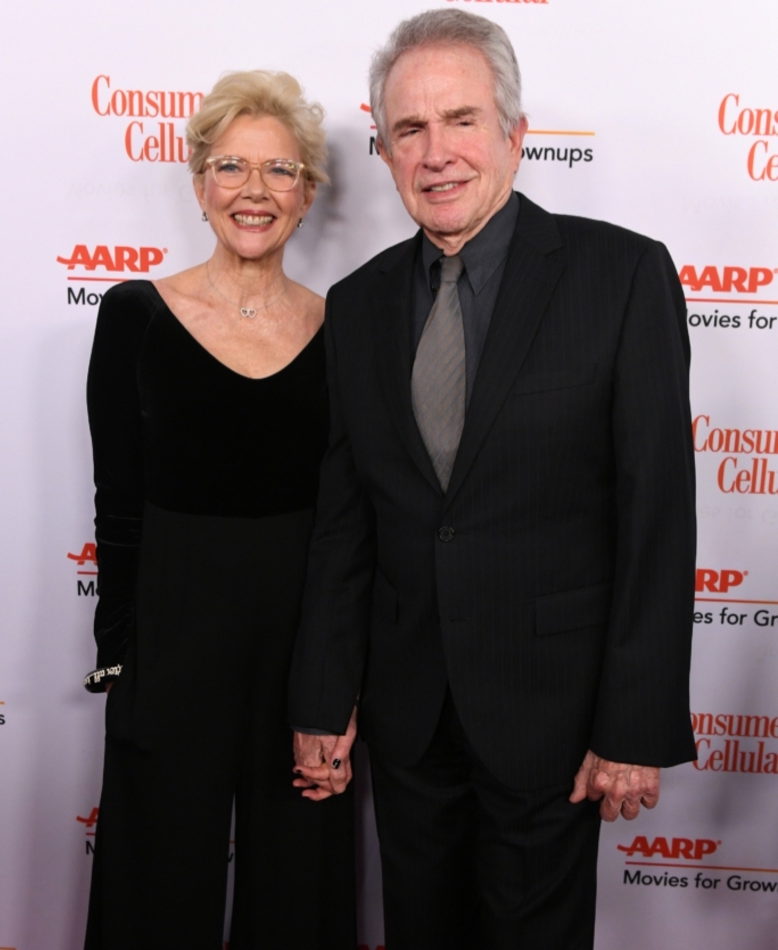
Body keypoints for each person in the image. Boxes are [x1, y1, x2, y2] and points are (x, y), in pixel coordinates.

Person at [289, 10, 696, 950]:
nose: (437, 154)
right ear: (385, 151)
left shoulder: (622, 276)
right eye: (410, 131)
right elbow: (346, 524)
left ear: (515, 133)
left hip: (552, 714)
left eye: (461, 120)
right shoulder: (356, 308)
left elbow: (657, 515)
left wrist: (632, 723)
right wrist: (321, 698)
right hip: (409, 716)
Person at [82, 70, 355, 950]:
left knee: (300, 883)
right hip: (172, 645)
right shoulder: (135, 316)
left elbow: (353, 523)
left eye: (281, 172)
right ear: (199, 183)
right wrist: (120, 654)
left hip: (300, 653)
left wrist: (341, 684)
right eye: (232, 167)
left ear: (308, 195)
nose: (254, 191)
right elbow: (116, 503)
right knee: (153, 880)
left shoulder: (345, 330)